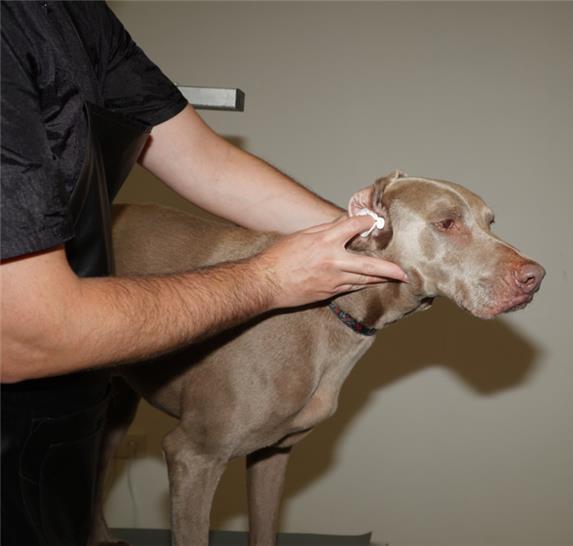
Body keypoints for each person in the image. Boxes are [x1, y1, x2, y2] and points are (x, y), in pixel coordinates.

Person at [0, 2, 406, 544]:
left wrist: (353, 239)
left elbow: (202, 159)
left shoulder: (78, 14)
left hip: (61, 422)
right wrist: (267, 279)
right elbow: (25, 336)